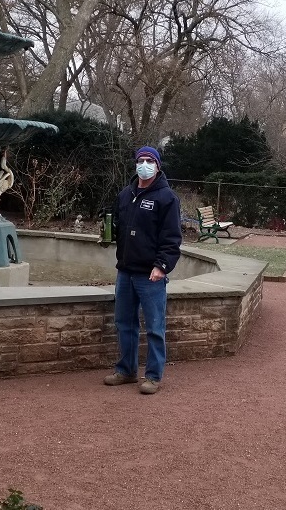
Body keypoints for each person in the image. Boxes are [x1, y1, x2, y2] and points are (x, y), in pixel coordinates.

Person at [101, 145, 182, 395]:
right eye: (140, 160)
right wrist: (108, 229)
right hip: (125, 271)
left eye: (149, 161)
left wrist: (161, 266)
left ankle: (153, 376)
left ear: (158, 166)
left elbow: (172, 238)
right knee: (124, 323)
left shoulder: (167, 198)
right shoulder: (126, 194)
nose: (144, 165)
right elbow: (118, 226)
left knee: (155, 327)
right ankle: (126, 370)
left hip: (150, 274)